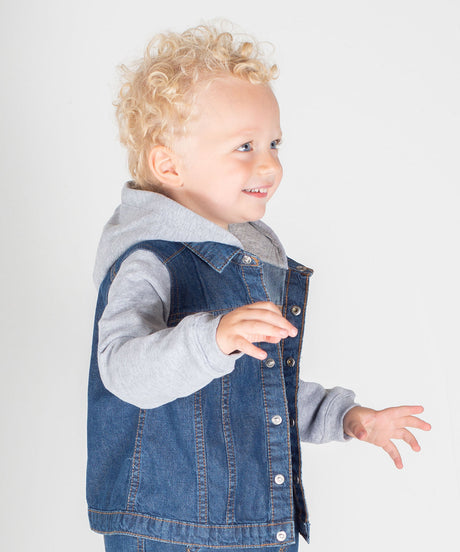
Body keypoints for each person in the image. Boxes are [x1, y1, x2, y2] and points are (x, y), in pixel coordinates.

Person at [87, 23, 431, 552]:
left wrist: (343, 416)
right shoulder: (149, 259)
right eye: (244, 146)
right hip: (173, 531)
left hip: (251, 524)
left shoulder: (247, 257)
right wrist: (211, 337)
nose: (269, 164)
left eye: (274, 143)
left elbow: (258, 388)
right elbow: (123, 370)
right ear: (168, 164)